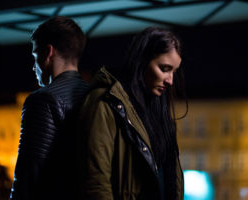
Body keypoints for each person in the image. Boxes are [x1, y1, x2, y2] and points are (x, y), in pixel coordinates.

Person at [78, 27, 185, 200]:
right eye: (164, 69)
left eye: (174, 71)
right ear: (142, 60)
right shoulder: (105, 103)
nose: (170, 80)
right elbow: (96, 182)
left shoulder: (158, 112)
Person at [10, 16, 88, 200]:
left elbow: (28, 174)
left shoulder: (42, 100)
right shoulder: (96, 96)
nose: (33, 67)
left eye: (35, 56)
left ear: (48, 52)